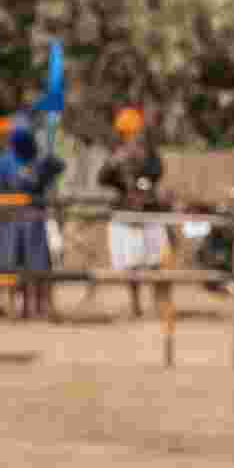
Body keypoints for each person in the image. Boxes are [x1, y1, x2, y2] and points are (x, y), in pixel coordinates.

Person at [0, 119, 57, 320]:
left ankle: (35, 307)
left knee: (36, 264)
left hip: (33, 219)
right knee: (10, 262)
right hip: (10, 220)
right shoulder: (4, 162)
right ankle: (12, 306)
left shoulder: (38, 160)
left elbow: (53, 174)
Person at [98, 104, 167, 318]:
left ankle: (159, 303)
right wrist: (115, 163)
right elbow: (102, 179)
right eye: (127, 134)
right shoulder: (115, 155)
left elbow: (157, 173)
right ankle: (135, 305)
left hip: (149, 213)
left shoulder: (150, 154)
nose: (131, 137)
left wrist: (141, 164)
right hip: (125, 215)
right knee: (131, 264)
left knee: (156, 262)